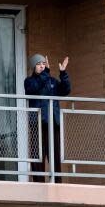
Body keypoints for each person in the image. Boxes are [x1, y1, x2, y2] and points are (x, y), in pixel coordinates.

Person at [24, 53, 71, 182]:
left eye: (44, 63)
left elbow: (66, 90)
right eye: (39, 64)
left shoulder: (52, 81)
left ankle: (57, 182)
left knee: (55, 154)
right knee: (37, 155)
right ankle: (38, 183)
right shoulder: (29, 81)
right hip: (38, 122)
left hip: (53, 122)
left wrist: (63, 73)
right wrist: (46, 73)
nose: (42, 66)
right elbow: (34, 89)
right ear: (33, 67)